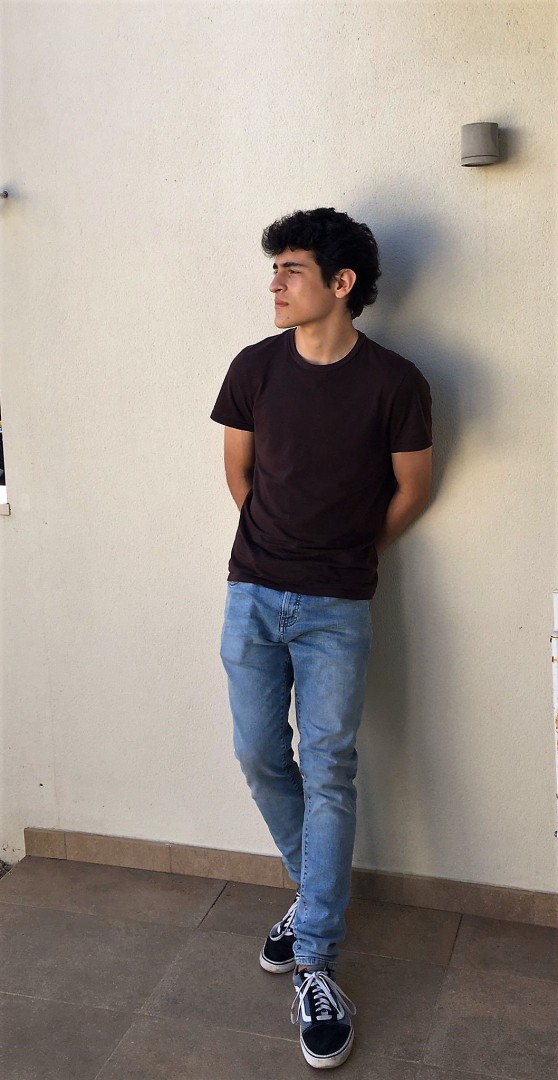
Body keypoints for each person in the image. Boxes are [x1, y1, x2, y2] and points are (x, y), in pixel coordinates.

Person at [210, 207, 432, 1069]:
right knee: (260, 753)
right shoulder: (254, 367)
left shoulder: (395, 382)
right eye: (274, 267)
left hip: (339, 605)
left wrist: (347, 554)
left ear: (341, 284)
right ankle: (314, 899)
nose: (274, 283)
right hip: (253, 595)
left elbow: (413, 488)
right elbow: (238, 471)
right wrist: (277, 552)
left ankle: (315, 959)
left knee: (330, 767)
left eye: (291, 268)